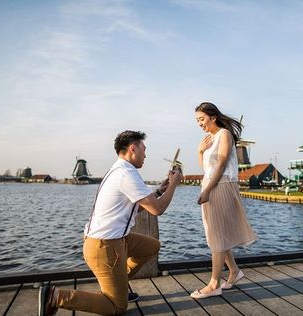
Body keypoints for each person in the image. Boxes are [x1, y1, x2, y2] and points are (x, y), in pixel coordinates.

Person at [39, 130, 183, 315]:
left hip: (114, 240)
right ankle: (56, 296)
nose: (146, 155)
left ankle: (119, 287)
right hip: (104, 246)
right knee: (117, 307)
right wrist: (173, 185)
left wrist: (160, 191)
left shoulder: (119, 170)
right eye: (144, 149)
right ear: (133, 148)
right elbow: (157, 210)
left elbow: (138, 207)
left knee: (152, 246)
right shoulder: (126, 174)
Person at [191, 102, 256, 299]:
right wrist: (200, 152)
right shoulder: (210, 139)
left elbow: (219, 167)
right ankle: (234, 272)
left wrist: (208, 190)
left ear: (213, 117)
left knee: (217, 234)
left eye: (201, 119)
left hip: (221, 186)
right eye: (197, 120)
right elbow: (207, 169)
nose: (199, 123)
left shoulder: (225, 135)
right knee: (217, 233)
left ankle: (214, 284)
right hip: (212, 184)